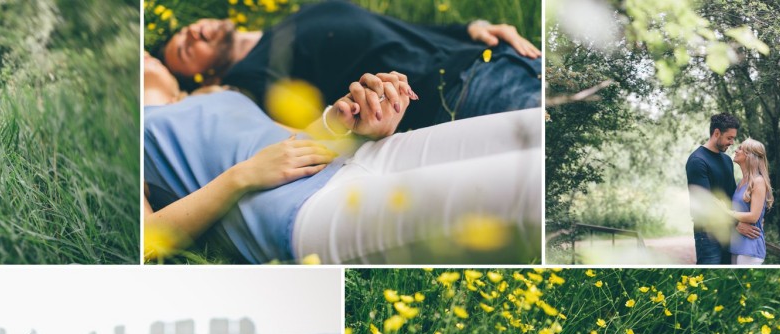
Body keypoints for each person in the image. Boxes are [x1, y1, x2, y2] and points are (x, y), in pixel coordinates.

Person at [144, 54, 541, 264]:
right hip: (300, 213)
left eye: (146, 51)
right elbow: (147, 239)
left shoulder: (218, 92)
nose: (144, 56)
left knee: (541, 133)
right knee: (531, 190)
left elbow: (291, 140)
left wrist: (347, 120)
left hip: (364, 156)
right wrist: (243, 176)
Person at [158, 0, 541, 131]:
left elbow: (393, 31)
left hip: (498, 57)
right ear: (206, 75)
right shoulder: (250, 77)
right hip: (460, 94)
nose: (190, 35)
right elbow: (306, 130)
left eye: (185, 32)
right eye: (184, 50)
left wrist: (470, 28)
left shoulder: (286, 24)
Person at [685, 112, 738, 265]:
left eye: (733, 138)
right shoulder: (697, 160)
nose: (732, 142)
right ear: (716, 133)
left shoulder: (727, 160)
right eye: (729, 138)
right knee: (709, 274)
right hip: (708, 233)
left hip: (729, 231)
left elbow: (732, 194)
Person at [727, 138, 771, 266]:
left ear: (750, 156)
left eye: (740, 148)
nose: (736, 150)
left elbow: (753, 216)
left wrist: (727, 213)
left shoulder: (758, 181)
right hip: (736, 244)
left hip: (750, 247)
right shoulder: (741, 182)